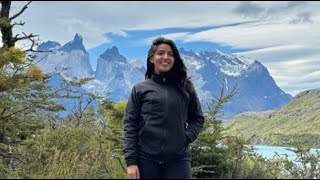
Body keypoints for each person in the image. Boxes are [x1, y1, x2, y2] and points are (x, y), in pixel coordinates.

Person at [122, 37, 204, 179]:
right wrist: (131, 162)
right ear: (152, 58)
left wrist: (184, 138)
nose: (165, 57)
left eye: (170, 54)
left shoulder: (186, 88)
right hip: (145, 159)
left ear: (175, 59)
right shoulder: (140, 89)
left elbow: (197, 119)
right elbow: (130, 125)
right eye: (160, 53)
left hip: (178, 160)